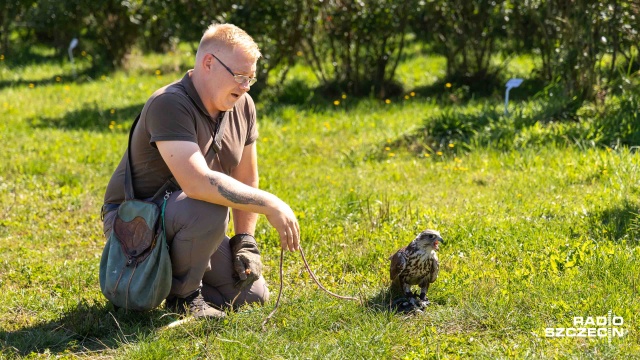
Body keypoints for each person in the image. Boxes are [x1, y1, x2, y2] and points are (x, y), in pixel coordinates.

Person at [101, 23, 300, 319]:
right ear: (209, 63)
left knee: (252, 295)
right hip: (136, 222)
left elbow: (247, 177)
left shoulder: (243, 105)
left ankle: (166, 282)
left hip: (188, 217)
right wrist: (270, 203)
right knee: (208, 207)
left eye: (251, 78)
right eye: (240, 76)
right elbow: (197, 183)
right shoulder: (169, 103)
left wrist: (245, 240)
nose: (245, 87)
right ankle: (184, 298)